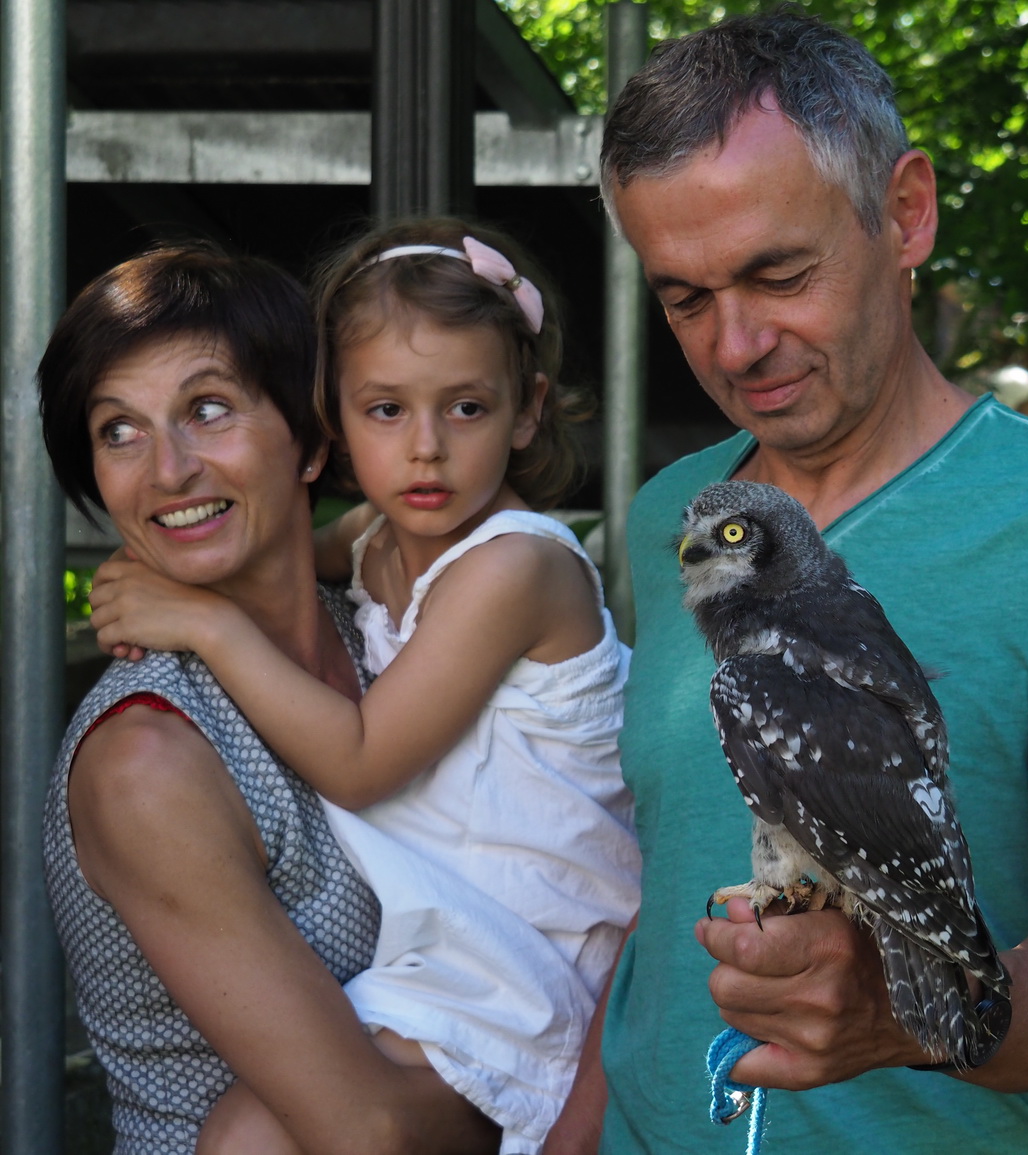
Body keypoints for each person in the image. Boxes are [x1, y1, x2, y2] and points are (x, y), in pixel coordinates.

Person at [578, 8, 1028, 1154]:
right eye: (685, 297)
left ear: (904, 213)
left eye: (778, 273)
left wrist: (907, 1016)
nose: (734, 345)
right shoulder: (676, 516)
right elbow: (652, 891)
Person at [87, 220, 640, 1154]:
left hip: (540, 945)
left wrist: (202, 620)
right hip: (461, 940)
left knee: (256, 1136)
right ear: (332, 424)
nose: (425, 449)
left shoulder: (513, 570)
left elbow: (360, 760)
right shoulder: (379, 540)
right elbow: (289, 551)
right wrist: (183, 551)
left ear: (528, 409)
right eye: (386, 410)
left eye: (466, 408)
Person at [40, 242, 502, 1154]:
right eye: (118, 431)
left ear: (314, 439)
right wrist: (594, 1070)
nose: (167, 470)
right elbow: (369, 1129)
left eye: (207, 409)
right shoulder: (151, 756)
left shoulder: (391, 630)